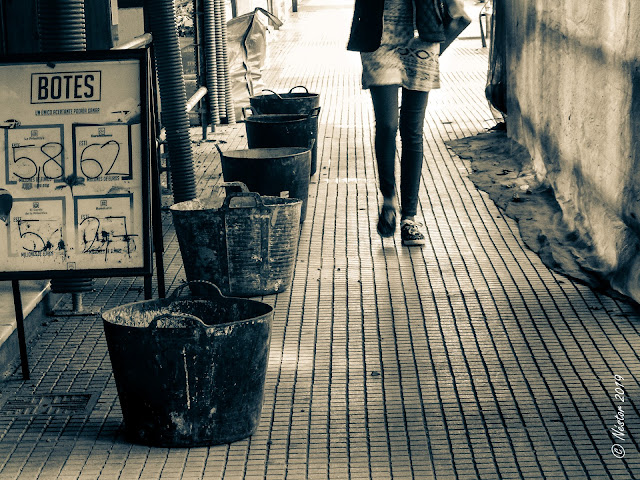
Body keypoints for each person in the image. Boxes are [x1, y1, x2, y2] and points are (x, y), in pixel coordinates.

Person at [347, 0, 446, 246]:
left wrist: (437, 47)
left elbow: (459, 13)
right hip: (378, 43)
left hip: (422, 42)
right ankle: (389, 198)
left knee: (412, 131)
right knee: (388, 125)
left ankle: (409, 219)